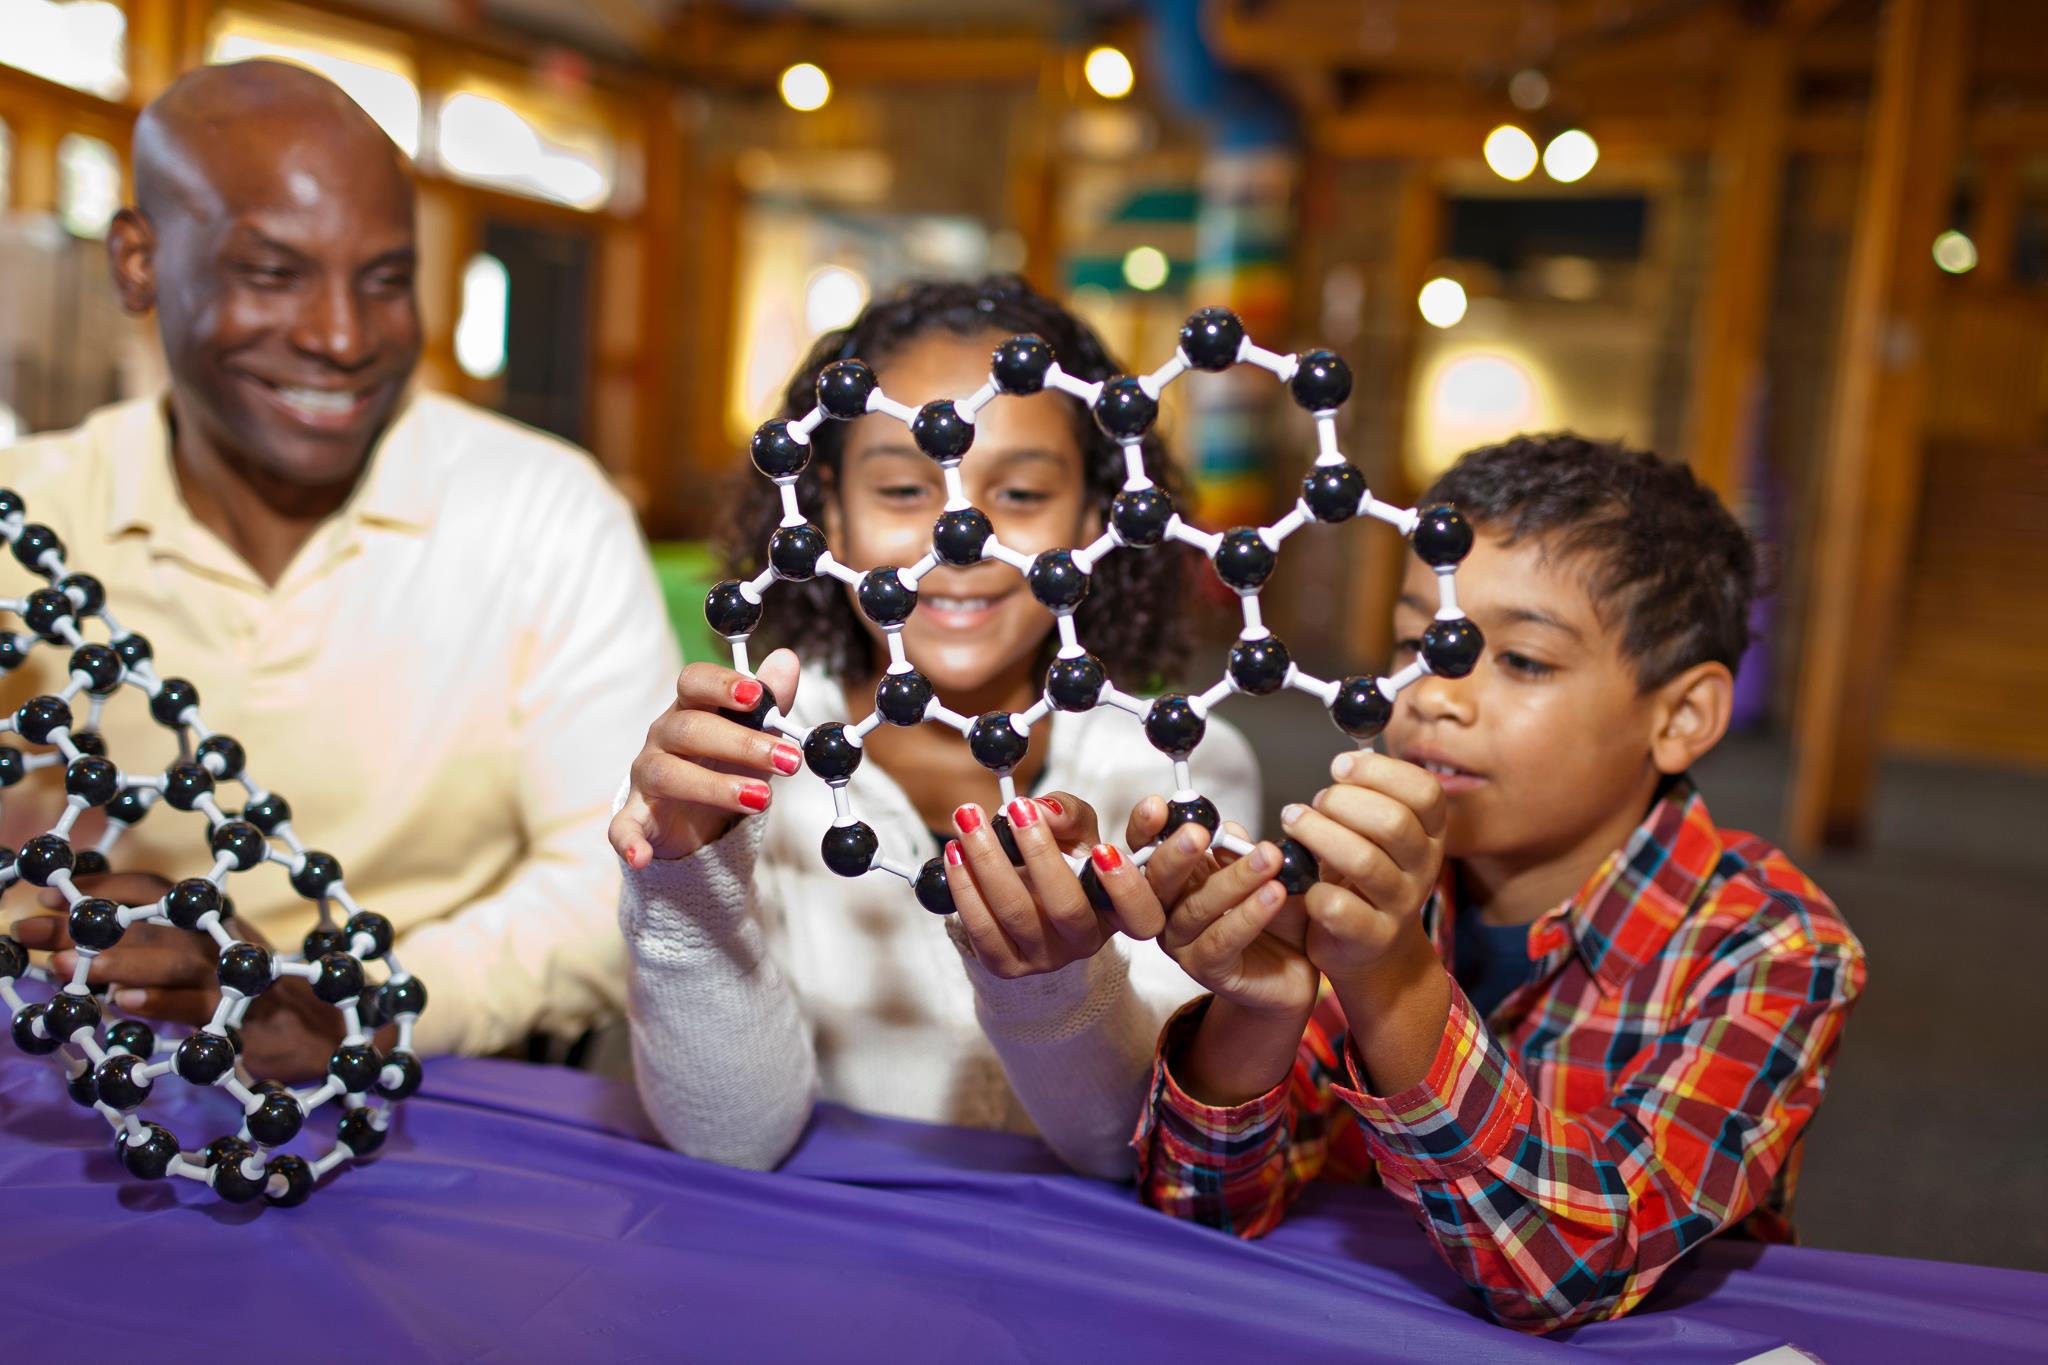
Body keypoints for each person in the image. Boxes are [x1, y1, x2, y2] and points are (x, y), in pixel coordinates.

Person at [1, 61, 676, 1077]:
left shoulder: (542, 513)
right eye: (272, 274)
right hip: (80, 1096)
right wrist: (35, 908)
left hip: (448, 1098)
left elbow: (615, 887)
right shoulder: (28, 517)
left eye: (386, 280)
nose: (342, 337)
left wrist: (328, 1008)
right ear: (138, 263)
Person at [1126, 434, 1865, 1332]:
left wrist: (1391, 982)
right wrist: (1261, 1009)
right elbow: (1202, 1212)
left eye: (1522, 660)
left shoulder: (1771, 945)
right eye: (1418, 640)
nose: (1436, 692)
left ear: (1682, 716)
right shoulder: (1367, 878)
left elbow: (1572, 1275)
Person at [608, 277, 1257, 1177]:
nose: (962, 536)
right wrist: (688, 889)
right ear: (825, 514)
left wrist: (1051, 978)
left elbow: (1128, 1150)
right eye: (906, 488)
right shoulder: (740, 767)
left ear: (1097, 521)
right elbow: (731, 1142)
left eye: (1022, 493)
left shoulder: (1177, 765)